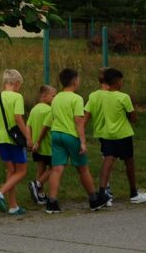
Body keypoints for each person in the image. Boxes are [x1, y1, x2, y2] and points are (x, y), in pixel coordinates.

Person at [44, 68, 106, 214]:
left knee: (57, 168)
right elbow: (79, 121)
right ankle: (93, 200)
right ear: (75, 81)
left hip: (56, 134)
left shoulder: (56, 97)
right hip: (70, 135)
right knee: (82, 168)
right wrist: (83, 142)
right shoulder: (76, 99)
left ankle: (51, 202)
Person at [86, 68, 146, 205]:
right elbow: (133, 118)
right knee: (129, 162)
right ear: (117, 81)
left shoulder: (101, 96)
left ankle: (102, 192)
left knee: (108, 161)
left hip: (108, 134)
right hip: (123, 134)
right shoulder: (123, 97)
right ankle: (134, 193)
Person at [0, 69, 32, 216]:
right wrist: (28, 137)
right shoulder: (17, 97)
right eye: (19, 84)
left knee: (11, 171)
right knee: (21, 171)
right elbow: (18, 118)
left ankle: (13, 205)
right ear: (16, 83)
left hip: (2, 139)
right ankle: (0, 192)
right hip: (15, 140)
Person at [26, 85, 55, 205]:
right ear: (44, 96)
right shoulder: (49, 110)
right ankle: (37, 184)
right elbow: (46, 127)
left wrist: (30, 140)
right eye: (53, 96)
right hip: (47, 145)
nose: (55, 98)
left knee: (40, 167)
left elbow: (28, 125)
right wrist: (38, 141)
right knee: (54, 167)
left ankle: (40, 194)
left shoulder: (34, 109)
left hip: (37, 147)